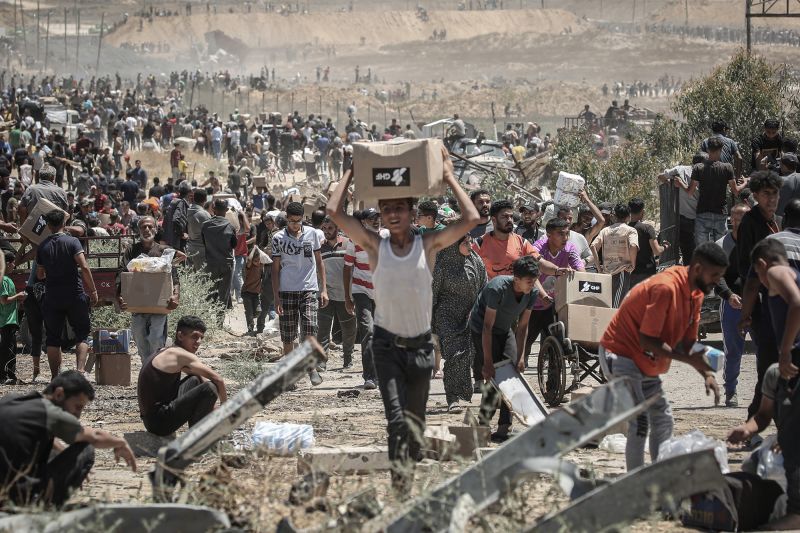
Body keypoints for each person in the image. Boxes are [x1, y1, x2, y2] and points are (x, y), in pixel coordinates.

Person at [327, 148, 480, 491]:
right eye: (386, 209)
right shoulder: (374, 245)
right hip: (387, 348)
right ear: (380, 216)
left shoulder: (428, 244)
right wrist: (351, 172)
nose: (392, 214)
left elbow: (471, 218)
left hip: (421, 350)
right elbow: (334, 212)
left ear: (412, 212)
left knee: (414, 425)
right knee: (396, 421)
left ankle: (407, 477)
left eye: (399, 208)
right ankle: (401, 491)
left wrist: (449, 176)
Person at [600, 242, 727, 471]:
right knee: (640, 422)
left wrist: (707, 374)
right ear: (698, 269)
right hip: (620, 354)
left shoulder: (696, 294)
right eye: (715, 275)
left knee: (663, 419)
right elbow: (647, 340)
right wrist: (689, 360)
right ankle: (637, 481)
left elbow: (688, 344)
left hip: (646, 361)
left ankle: (658, 476)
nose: (717, 281)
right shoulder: (666, 288)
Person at [728, 238, 800, 531]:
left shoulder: (774, 271)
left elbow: (797, 303)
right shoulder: (774, 376)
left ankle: (796, 513)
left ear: (760, 264)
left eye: (757, 276)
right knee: (790, 433)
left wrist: (785, 351)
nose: (761, 282)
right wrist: (747, 430)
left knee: (793, 438)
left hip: (794, 358)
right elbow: (764, 414)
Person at [0, 371, 136, 507]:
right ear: (59, 394)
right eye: (78, 407)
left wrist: (65, 459)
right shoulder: (49, 411)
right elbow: (94, 437)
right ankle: (44, 504)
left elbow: (46, 439)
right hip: (18, 497)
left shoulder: (11, 401)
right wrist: (120, 442)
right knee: (86, 448)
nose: (78, 415)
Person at [470, 256, 539, 442]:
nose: (532, 284)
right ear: (516, 279)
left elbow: (522, 328)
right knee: (494, 379)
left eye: (534, 280)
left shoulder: (532, 292)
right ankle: (483, 425)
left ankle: (504, 427)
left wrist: (521, 357)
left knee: (511, 377)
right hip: (482, 329)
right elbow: (487, 327)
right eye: (529, 281)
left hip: (504, 328)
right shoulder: (497, 288)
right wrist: (487, 363)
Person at [736, 170, 783, 419]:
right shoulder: (750, 223)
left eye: (775, 194)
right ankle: (755, 418)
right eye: (766, 194)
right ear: (755, 195)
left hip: (780, 302)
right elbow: (747, 269)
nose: (771, 199)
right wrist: (748, 310)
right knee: (767, 361)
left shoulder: (777, 221)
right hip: (761, 303)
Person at [137, 316, 227, 437]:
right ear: (180, 336)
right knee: (210, 388)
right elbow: (218, 379)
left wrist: (212, 406)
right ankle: (196, 439)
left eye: (201, 338)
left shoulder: (168, 351)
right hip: (160, 423)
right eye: (194, 336)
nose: (198, 341)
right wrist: (225, 410)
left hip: (152, 419)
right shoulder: (182, 355)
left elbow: (198, 375)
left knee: (195, 378)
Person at [271, 201, 327, 386]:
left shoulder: (313, 234)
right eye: (292, 221)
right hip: (287, 290)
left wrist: (324, 289)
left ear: (303, 218)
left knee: (310, 328)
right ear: (286, 219)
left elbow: (319, 262)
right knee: (288, 334)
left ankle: (311, 368)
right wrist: (276, 297)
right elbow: (275, 269)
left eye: (298, 221)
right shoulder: (278, 238)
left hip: (309, 288)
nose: (295, 224)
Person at [36, 210, 98, 378]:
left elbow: (40, 275)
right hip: (74, 294)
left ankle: (54, 377)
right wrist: (93, 290)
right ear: (64, 224)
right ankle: (80, 372)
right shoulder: (73, 242)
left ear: (48, 226)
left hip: (52, 296)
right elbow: (84, 266)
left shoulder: (43, 246)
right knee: (82, 333)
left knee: (53, 338)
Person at [432, 233, 487, 413]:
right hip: (447, 316)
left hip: (470, 316)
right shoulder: (442, 263)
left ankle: (460, 392)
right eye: (465, 243)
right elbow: (432, 293)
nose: (470, 246)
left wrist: (478, 309)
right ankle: (452, 397)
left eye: (471, 242)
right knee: (454, 355)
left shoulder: (476, 261)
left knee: (466, 355)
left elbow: (484, 287)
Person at [117, 217, 182, 363]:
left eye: (150, 226)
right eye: (143, 227)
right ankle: (146, 367)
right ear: (138, 230)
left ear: (156, 229)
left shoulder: (164, 250)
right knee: (139, 337)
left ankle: (156, 366)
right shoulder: (132, 250)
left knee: (155, 338)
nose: (147, 230)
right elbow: (122, 273)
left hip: (159, 302)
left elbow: (173, 275)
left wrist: (176, 295)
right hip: (137, 303)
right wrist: (119, 295)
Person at [525, 218, 585, 365]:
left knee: (556, 348)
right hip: (532, 304)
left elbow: (580, 269)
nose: (565, 238)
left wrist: (580, 277)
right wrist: (543, 295)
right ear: (549, 235)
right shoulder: (538, 248)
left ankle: (553, 377)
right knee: (525, 343)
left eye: (567, 234)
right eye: (560, 234)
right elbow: (533, 274)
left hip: (554, 305)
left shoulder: (569, 248)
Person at [343, 208, 385, 385]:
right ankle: (369, 376)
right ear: (364, 222)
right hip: (361, 290)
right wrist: (347, 297)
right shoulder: (354, 240)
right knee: (368, 330)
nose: (376, 221)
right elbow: (347, 268)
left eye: (377, 218)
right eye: (371, 218)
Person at [714, 204, 751, 407]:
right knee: (733, 350)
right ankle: (731, 391)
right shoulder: (721, 245)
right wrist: (729, 296)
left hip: (757, 304)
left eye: (744, 219)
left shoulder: (760, 244)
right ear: (731, 220)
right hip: (732, 305)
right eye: (737, 219)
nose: (740, 223)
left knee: (766, 349)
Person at [688, 137, 747, 245]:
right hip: (720, 213)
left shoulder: (698, 168)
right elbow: (736, 191)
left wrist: (681, 184)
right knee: (721, 248)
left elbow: (690, 192)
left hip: (703, 212)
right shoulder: (727, 168)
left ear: (708, 149)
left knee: (702, 249)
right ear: (721, 150)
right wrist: (745, 183)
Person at [318, 216, 356, 367]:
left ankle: (348, 358)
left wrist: (352, 294)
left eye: (330, 228)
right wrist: (322, 290)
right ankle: (322, 361)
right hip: (326, 295)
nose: (327, 231)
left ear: (337, 228)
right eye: (324, 228)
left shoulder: (348, 244)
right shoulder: (320, 247)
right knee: (323, 329)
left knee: (349, 330)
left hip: (346, 295)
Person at [658, 153, 704, 264]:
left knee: (688, 251)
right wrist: (671, 184)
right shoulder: (706, 174)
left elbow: (661, 176)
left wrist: (670, 184)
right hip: (698, 218)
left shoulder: (680, 170)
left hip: (685, 217)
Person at [591, 203, 639, 306]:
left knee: (607, 304)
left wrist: (599, 268)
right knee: (616, 307)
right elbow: (633, 246)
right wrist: (633, 264)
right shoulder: (631, 230)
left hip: (606, 273)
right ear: (629, 216)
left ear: (614, 216)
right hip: (621, 272)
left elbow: (593, 246)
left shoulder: (605, 230)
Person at [201, 199, 237, 308]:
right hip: (226, 264)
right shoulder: (230, 227)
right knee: (224, 294)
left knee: (210, 293)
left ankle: (209, 316)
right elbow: (234, 245)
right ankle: (220, 317)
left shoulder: (205, 225)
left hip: (211, 264)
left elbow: (203, 243)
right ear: (226, 210)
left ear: (214, 209)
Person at [628, 198, 667, 287]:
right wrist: (665, 246)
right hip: (647, 273)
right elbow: (657, 251)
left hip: (630, 274)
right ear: (642, 211)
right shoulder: (647, 228)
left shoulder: (625, 229)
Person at [0, 251, 25, 384]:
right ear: (7, 263)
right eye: (13, 263)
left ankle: (9, 375)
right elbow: (4, 300)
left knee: (11, 348)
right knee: (7, 349)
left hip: (9, 319)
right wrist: (18, 296)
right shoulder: (4, 280)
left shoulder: (6, 279)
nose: (14, 265)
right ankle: (4, 376)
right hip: (6, 320)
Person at [186, 188, 211, 270]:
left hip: (190, 248)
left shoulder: (188, 211)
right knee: (203, 276)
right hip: (201, 251)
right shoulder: (204, 214)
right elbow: (210, 234)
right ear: (205, 199)